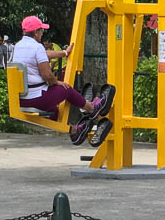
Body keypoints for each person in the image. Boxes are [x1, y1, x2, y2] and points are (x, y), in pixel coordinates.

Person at [11, 15, 111, 144]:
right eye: (41, 31)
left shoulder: (18, 47)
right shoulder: (37, 47)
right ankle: (92, 108)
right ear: (36, 33)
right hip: (37, 99)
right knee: (66, 89)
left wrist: (64, 53)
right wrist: (57, 82)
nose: (42, 33)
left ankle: (75, 131)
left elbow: (44, 54)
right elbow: (47, 75)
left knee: (54, 111)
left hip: (22, 100)